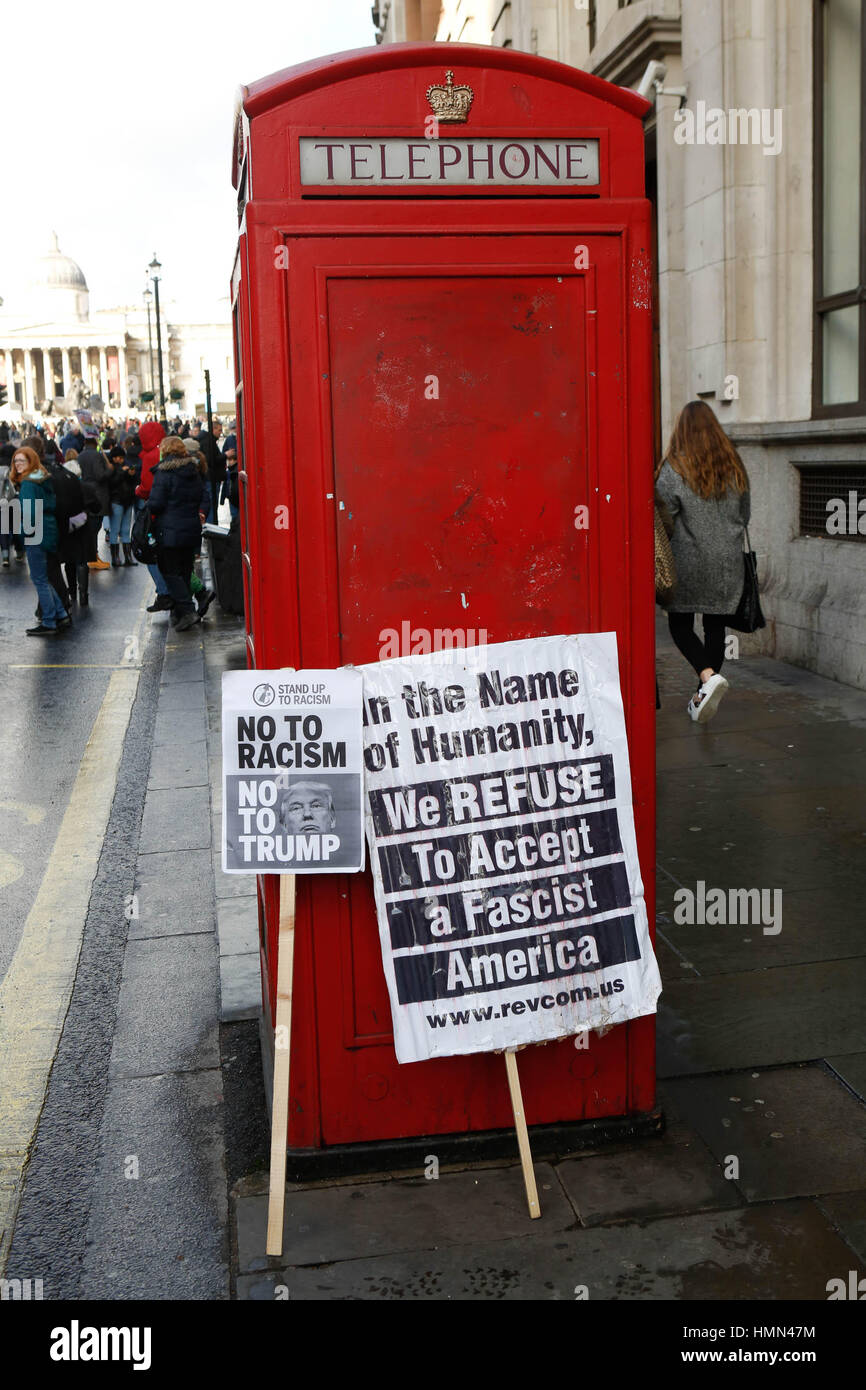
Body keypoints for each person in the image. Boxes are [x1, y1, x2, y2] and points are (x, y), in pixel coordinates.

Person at [655, 400, 750, 723]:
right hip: (728, 562)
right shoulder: (734, 465)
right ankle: (704, 692)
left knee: (679, 624)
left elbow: (663, 519)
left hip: (688, 560)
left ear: (682, 430)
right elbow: (745, 515)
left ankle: (707, 678)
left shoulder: (674, 468)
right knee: (715, 625)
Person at [10, 445, 69, 635]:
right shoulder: (41, 478)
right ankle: (61, 614)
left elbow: (29, 516)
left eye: (22, 461)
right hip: (48, 530)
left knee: (39, 579)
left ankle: (50, 621)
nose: (18, 464)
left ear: (31, 461)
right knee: (44, 578)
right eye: (16, 461)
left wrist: (20, 536)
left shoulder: (28, 484)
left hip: (35, 534)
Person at [147, 435, 205, 631]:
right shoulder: (193, 470)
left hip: (170, 530)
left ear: (165, 451)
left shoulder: (164, 473)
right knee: (184, 571)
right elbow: (200, 496)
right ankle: (181, 613)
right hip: (191, 528)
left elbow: (155, 504)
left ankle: (188, 611)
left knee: (170, 572)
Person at [78, 433, 113, 571]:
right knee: (95, 527)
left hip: (85, 493)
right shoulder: (97, 456)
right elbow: (100, 475)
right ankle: (92, 557)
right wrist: (109, 470)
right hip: (97, 495)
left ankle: (92, 555)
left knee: (91, 527)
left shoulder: (81, 455)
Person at [106, 443, 139, 566]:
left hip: (127, 501)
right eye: (118, 457)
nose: (120, 459)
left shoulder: (124, 467)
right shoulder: (110, 468)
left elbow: (133, 482)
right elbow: (112, 482)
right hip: (117, 501)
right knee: (115, 530)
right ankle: (115, 558)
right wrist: (122, 472)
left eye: (121, 457)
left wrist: (131, 475)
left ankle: (127, 557)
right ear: (114, 457)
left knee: (126, 530)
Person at [1, 441, 26, 566]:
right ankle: (20, 552)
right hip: (15, 500)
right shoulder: (16, 467)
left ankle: (5, 556)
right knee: (16, 527)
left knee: (3, 528)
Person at [220, 445, 240, 520]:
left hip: (233, 498)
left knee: (235, 516)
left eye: (231, 460)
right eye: (228, 460)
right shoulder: (228, 472)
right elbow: (224, 486)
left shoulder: (232, 472)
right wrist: (222, 500)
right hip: (231, 498)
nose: (229, 462)